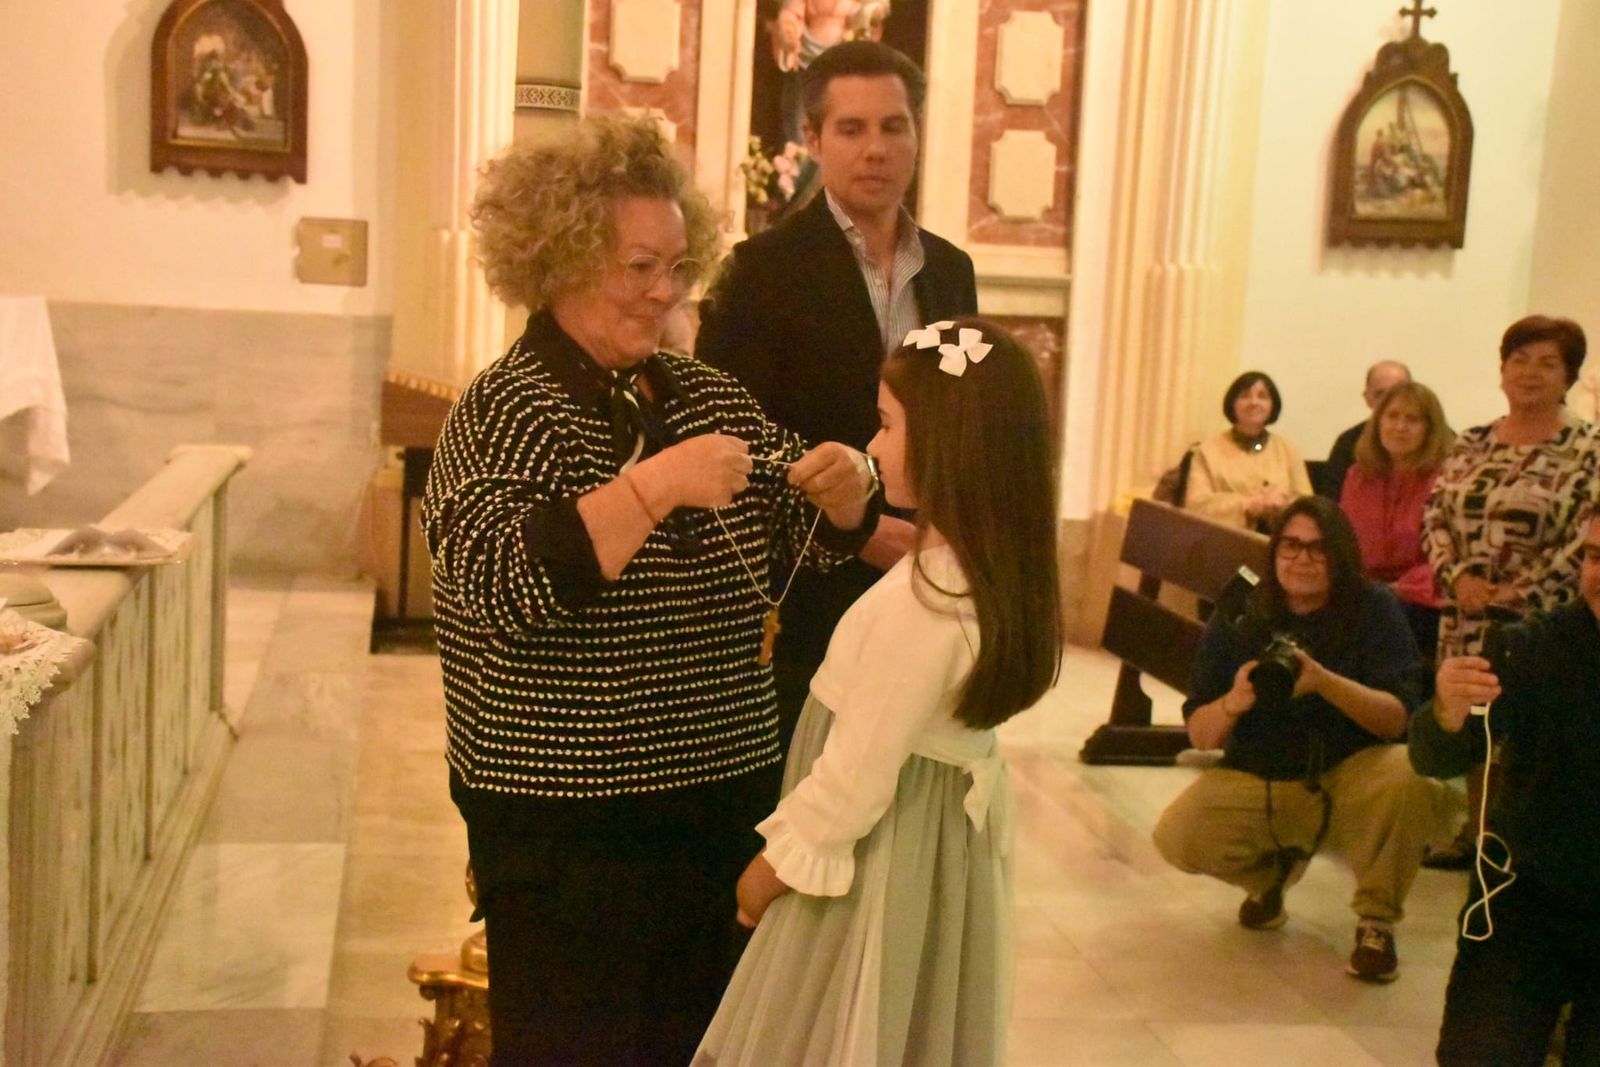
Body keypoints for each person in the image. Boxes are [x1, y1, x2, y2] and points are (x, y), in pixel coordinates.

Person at [421, 115, 881, 1066]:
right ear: (559, 259)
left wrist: (845, 495)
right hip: (569, 825)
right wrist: (652, 485)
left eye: (676, 266)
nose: (664, 291)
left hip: (717, 804)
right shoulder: (503, 409)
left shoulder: (698, 391)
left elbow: (798, 527)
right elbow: (505, 583)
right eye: (639, 267)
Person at [693, 319, 1062, 1066]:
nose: (874, 442)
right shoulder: (973, 568)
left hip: (873, 858)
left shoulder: (928, 597)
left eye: (890, 424)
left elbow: (858, 772)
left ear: (950, 441)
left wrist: (769, 872)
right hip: (921, 837)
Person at [697, 39, 978, 749]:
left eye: (893, 126)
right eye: (851, 129)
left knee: (914, 780)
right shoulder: (762, 271)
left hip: (931, 576)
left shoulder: (951, 271)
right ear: (814, 140)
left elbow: (968, 422)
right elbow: (731, 436)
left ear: (917, 134)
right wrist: (855, 533)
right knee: (815, 791)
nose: (875, 149)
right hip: (811, 586)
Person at [1152, 496, 1451, 983]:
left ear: (1340, 556)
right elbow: (1200, 733)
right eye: (1290, 546)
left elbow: (1397, 719)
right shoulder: (1243, 611)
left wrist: (1324, 682)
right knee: (1179, 835)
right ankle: (1270, 879)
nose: (1302, 560)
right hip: (1264, 775)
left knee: (1409, 773)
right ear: (1274, 553)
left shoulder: (1372, 607)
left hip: (1350, 774)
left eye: (1318, 549)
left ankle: (1376, 922)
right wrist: (1234, 701)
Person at [1409, 512, 1600, 1065]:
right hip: (1529, 901)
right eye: (1593, 557)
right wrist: (1445, 713)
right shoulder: (1535, 648)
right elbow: (1436, 756)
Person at [1421, 314, 1599, 868]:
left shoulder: (1587, 448)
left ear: (1569, 376)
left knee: (1523, 726)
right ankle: (1472, 836)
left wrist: (1518, 592)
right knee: (1473, 718)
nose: (1530, 373)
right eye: (1519, 360)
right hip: (1465, 610)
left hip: (1540, 618)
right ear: (1502, 370)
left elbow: (1585, 535)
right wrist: (1460, 580)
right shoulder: (1473, 441)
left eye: (1548, 363)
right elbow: (1435, 516)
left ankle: (1513, 839)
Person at [1339, 381, 1454, 657]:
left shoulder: (1447, 479)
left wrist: (1397, 589)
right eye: (1392, 416)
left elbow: (1449, 557)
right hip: (1363, 592)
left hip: (1420, 602)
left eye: (1412, 419)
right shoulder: (1358, 476)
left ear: (1430, 429)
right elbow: (1343, 542)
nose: (1400, 426)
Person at [1185, 371, 1314, 531]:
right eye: (1245, 396)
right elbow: (1196, 506)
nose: (1254, 402)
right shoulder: (1206, 450)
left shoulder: (1288, 449)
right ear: (1232, 403)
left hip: (1278, 543)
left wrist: (1281, 504)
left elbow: (1307, 504)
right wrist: (1248, 505)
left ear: (1272, 405)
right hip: (1223, 541)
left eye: (1262, 396)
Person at [1320, 360, 1412, 497]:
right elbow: (1332, 502)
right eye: (1380, 394)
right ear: (1367, 398)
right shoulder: (1348, 442)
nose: (1390, 401)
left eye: (1397, 392)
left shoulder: (1438, 438)